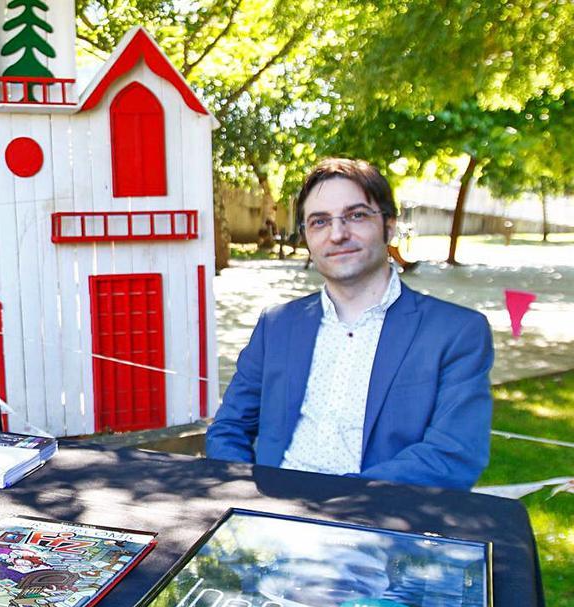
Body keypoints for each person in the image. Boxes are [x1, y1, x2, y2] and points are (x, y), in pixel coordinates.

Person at [206, 158, 493, 489]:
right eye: (319, 222)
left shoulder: (455, 332)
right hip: (272, 516)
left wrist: (333, 503)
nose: (337, 234)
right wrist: (244, 497)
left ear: (389, 225)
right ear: (306, 237)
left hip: (380, 522)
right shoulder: (277, 325)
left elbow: (452, 455)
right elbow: (229, 428)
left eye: (356, 215)